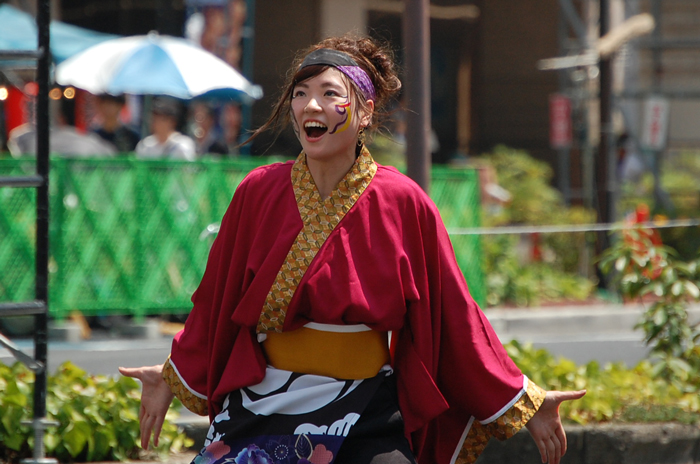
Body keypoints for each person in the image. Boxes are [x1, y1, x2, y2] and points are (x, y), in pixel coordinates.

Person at [120, 35, 585, 464]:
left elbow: (454, 313)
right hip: (260, 407)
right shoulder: (258, 190)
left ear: (363, 112)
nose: (310, 106)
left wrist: (525, 398)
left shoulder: (401, 200)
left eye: (327, 93)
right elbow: (215, 302)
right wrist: (172, 373)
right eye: (299, 94)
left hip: (364, 411)